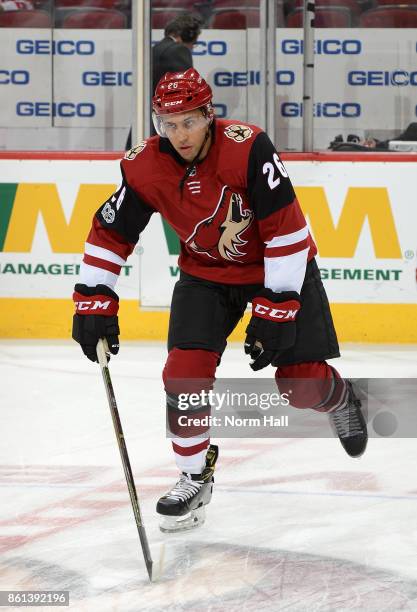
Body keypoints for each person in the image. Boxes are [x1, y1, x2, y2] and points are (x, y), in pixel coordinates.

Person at [72, 69, 368, 534]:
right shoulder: (145, 165)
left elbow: (287, 232)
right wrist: (93, 299)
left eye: (188, 121)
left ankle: (341, 397)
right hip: (205, 277)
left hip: (277, 269)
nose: (179, 134)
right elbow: (110, 232)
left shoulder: (249, 147)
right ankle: (193, 476)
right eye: (167, 123)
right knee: (183, 374)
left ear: (208, 115)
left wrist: (277, 308)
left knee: (300, 385)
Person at [126, 12, 202, 148]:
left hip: (148, 124)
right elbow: (188, 89)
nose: (192, 48)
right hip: (164, 128)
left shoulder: (156, 49)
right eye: (193, 43)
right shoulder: (177, 50)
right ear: (185, 36)